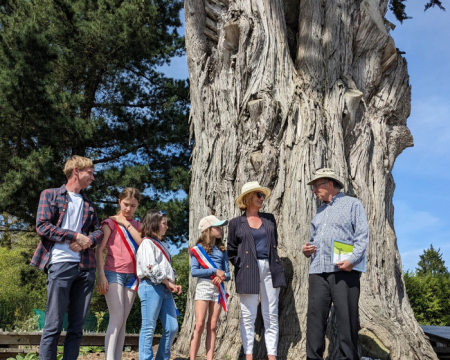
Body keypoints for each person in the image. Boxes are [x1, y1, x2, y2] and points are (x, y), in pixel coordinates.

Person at [31, 155, 104, 360]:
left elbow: (99, 232)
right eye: (89, 173)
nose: (92, 178)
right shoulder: (50, 195)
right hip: (60, 265)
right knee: (53, 324)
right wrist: (74, 236)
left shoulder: (89, 203)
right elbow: (42, 226)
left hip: (86, 268)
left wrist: (88, 240)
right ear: (76, 171)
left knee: (76, 327)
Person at [302, 168, 369, 360]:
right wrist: (307, 249)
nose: (314, 190)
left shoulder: (352, 204)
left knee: (347, 319)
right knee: (315, 319)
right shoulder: (319, 211)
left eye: (316, 186)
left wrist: (352, 260)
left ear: (330, 184)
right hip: (317, 271)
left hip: (344, 270)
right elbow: (314, 239)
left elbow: (362, 236)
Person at [227, 181, 286, 360]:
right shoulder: (236, 223)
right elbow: (231, 250)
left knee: (271, 314)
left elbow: (273, 243)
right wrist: (242, 263)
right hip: (247, 270)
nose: (262, 198)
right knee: (248, 315)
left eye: (263, 195)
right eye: (258, 195)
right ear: (247, 198)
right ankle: (249, 355)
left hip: (271, 268)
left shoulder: (269, 219)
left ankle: (272, 355)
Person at [96, 188, 143, 360]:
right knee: (116, 318)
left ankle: (117, 357)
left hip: (133, 276)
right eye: (126, 204)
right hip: (112, 273)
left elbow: (143, 245)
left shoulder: (138, 225)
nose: (128, 209)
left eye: (133, 206)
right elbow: (99, 249)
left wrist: (127, 224)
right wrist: (100, 275)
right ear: (119, 201)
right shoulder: (109, 223)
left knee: (123, 320)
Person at [136, 210, 181, 360]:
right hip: (150, 287)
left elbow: (164, 267)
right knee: (149, 327)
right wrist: (167, 282)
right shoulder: (147, 243)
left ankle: (162, 357)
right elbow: (150, 267)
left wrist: (172, 281)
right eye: (164, 223)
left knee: (172, 327)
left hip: (165, 288)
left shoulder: (164, 244)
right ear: (154, 223)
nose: (166, 227)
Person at [189, 215, 230, 360]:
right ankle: (192, 358)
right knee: (199, 324)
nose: (221, 230)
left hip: (218, 290)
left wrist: (222, 277)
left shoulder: (222, 250)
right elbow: (194, 271)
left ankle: (209, 357)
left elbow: (228, 273)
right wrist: (214, 272)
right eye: (217, 227)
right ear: (207, 230)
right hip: (204, 286)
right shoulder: (197, 250)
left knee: (212, 326)